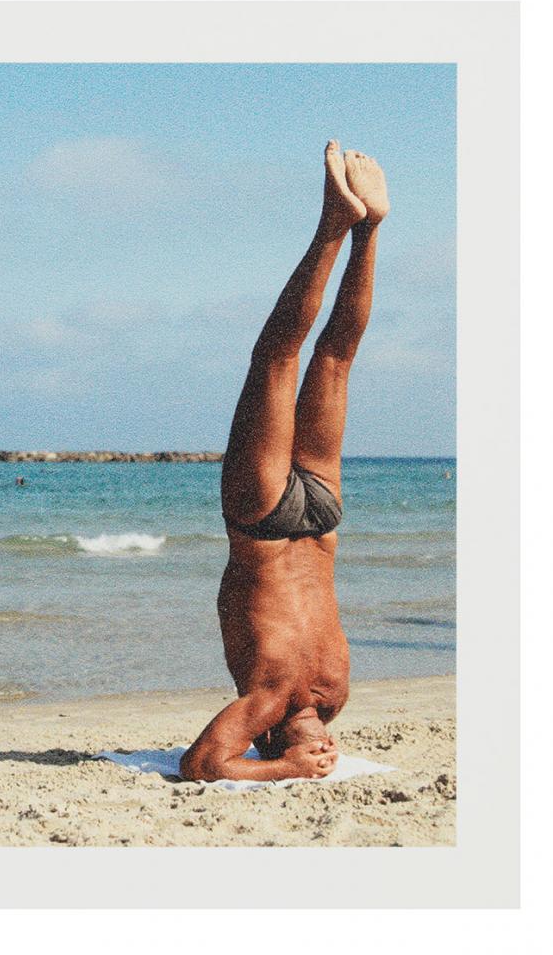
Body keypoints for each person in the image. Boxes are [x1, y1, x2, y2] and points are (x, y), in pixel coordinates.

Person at [180, 141, 389, 782]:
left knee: (277, 357)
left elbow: (201, 765)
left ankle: (336, 224)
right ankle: (369, 230)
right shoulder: (332, 694)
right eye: (329, 754)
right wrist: (303, 755)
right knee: (336, 360)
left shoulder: (267, 702)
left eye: (315, 754)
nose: (325, 752)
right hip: (320, 521)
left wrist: (287, 770)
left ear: (270, 741)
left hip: (266, 521)